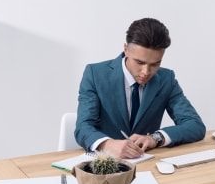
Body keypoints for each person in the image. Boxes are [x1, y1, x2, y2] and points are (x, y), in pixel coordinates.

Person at [75, 17, 206, 159]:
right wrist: (107, 144)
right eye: (139, 62)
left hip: (146, 163)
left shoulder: (166, 79)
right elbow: (83, 127)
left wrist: (156, 138)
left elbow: (195, 125)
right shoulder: (95, 74)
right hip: (105, 165)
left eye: (155, 64)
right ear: (126, 49)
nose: (146, 72)